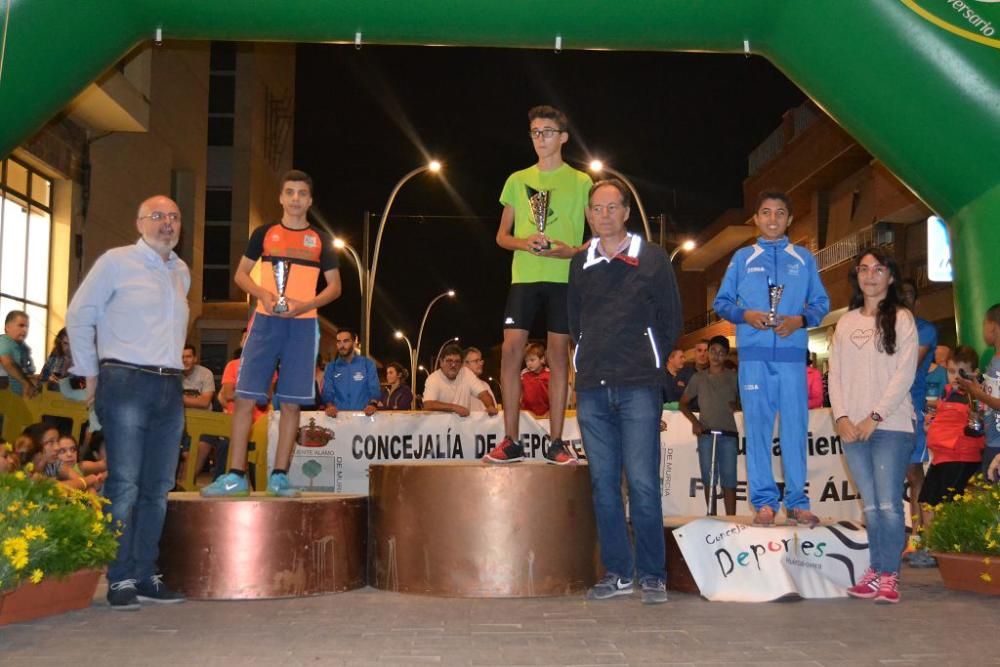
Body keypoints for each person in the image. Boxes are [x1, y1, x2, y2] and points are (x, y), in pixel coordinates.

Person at [66, 194, 190, 609]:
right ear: (139, 222)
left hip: (170, 386)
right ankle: (118, 576)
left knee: (158, 486)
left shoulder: (181, 272)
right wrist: (90, 372)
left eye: (174, 217)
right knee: (125, 484)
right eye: (157, 216)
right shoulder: (115, 262)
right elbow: (79, 314)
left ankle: (145, 572)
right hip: (125, 380)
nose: (167, 223)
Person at [569, 179, 681, 604]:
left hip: (639, 386)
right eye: (597, 209)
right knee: (602, 485)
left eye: (612, 207)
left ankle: (653, 574)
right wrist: (586, 362)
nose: (605, 215)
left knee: (643, 483)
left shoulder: (652, 259)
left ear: (626, 212)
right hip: (593, 390)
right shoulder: (580, 264)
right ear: (588, 215)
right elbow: (574, 320)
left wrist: (650, 359)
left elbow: (671, 318)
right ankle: (617, 571)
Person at [202, 170, 341, 498]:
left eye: (301, 193)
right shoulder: (263, 233)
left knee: (291, 404)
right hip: (265, 322)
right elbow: (241, 275)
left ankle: (280, 476)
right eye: (289, 192)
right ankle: (235, 475)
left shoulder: (320, 240)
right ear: (280, 197)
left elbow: (335, 287)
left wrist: (305, 304)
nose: (295, 199)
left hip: (303, 326)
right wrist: (263, 295)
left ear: (309, 200)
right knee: (245, 397)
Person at [713, 191, 830, 527]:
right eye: (766, 213)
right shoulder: (742, 257)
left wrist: (799, 321)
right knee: (758, 430)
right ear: (757, 220)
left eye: (780, 213)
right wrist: (745, 314)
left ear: (790, 219)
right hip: (753, 358)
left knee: (795, 429)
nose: (773, 219)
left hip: (793, 358)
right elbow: (722, 303)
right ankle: (764, 502)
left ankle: (797, 501)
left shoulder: (804, 258)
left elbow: (821, 304)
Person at [486, 105, 592, 465]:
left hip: (564, 277)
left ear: (563, 137)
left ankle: (557, 442)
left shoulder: (581, 182)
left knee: (558, 355)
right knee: (511, 350)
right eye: (534, 132)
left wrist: (570, 251)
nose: (540, 138)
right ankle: (510, 439)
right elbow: (501, 236)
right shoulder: (517, 180)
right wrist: (524, 241)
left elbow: (596, 239)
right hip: (525, 277)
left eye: (547, 131)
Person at [828, 248, 917, 604]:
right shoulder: (846, 323)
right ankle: (876, 571)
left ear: (890, 277)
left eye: (878, 269)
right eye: (864, 269)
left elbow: (904, 375)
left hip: (890, 427)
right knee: (870, 506)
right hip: (852, 430)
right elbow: (834, 374)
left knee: (889, 505)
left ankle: (889, 574)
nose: (870, 275)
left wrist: (874, 416)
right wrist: (842, 417)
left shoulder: (903, 318)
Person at [918, 345, 984, 548]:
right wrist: (931, 424)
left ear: (975, 373)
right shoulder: (945, 394)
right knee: (926, 502)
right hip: (941, 457)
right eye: (952, 371)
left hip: (961, 458)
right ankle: (932, 546)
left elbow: (978, 427)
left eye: (962, 372)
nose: (956, 377)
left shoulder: (976, 396)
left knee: (950, 506)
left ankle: (948, 547)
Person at [898, 279, 938, 566]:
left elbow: (907, 366)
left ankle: (920, 541)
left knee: (915, 476)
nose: (905, 299)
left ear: (917, 301)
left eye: (909, 294)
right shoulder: (885, 327)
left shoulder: (925, 329)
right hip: (885, 412)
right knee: (888, 479)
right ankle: (896, 541)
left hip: (912, 410)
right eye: (900, 294)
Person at [679, 335, 740, 516]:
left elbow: (745, 401)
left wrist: (737, 406)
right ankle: (711, 517)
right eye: (713, 351)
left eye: (721, 353)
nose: (716, 356)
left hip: (729, 435)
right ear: (708, 353)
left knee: (729, 480)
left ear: (726, 355)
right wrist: (695, 422)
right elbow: (683, 403)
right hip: (705, 435)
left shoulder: (734, 377)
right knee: (709, 479)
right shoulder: (698, 378)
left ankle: (731, 520)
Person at [955, 303, 1000, 482]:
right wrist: (975, 386)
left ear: (992, 327)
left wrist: (978, 393)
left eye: (983, 324)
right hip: (992, 440)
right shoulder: (993, 361)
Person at [178, 344, 218, 485]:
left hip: (204, 423)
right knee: (185, 455)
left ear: (195, 358)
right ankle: (178, 487)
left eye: (188, 356)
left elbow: (205, 402)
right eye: (182, 357)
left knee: (198, 451)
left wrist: (179, 399)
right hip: (179, 423)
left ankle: (183, 487)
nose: (185, 360)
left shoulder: (205, 374)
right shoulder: (172, 375)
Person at [423, 343, 499, 417]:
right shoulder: (433, 378)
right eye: (449, 361)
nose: (453, 365)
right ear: (441, 362)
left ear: (461, 364)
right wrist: (454, 408)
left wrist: (490, 406)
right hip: (440, 427)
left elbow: (483, 394)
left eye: (457, 361)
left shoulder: (466, 373)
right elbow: (428, 404)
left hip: (463, 427)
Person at [321, 327, 380, 417]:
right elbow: (327, 392)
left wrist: (372, 404)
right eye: (339, 341)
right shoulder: (331, 367)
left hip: (364, 418)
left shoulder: (368, 364)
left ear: (354, 342)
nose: (342, 345)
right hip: (338, 418)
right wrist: (329, 406)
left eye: (346, 341)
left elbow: (374, 389)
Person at [0, 310, 38, 397]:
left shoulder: (22, 346)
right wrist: (26, 383)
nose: (25, 329)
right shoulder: (5, 341)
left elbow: (22, 370)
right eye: (21, 325)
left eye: (27, 326)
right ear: (7, 327)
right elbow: (7, 363)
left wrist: (33, 377)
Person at [463, 346, 497, 411]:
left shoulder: (485, 384)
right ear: (465, 364)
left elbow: (494, 408)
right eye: (476, 361)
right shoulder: (459, 384)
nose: (480, 363)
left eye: (481, 360)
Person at [520, 342, 550, 416]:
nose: (529, 363)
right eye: (526, 361)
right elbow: (518, 394)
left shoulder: (550, 375)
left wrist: (550, 412)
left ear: (542, 359)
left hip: (547, 415)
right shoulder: (523, 374)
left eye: (532, 360)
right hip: (528, 414)